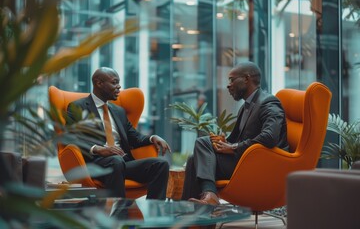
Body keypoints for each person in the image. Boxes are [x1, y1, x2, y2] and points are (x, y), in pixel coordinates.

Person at [181, 61, 289, 205]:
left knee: (202, 143)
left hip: (262, 166)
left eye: (232, 80)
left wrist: (234, 147)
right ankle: (197, 217)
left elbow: (270, 137)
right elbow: (235, 139)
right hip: (245, 161)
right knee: (194, 159)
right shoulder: (245, 107)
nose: (228, 85)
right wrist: (225, 143)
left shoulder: (269, 102)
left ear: (246, 78)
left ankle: (206, 200)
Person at [66, 67, 171, 199]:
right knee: (115, 161)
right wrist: (97, 149)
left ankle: (154, 210)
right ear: (99, 83)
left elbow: (134, 137)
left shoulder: (118, 111)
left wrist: (153, 138)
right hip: (95, 163)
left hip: (122, 162)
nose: (119, 86)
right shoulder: (77, 107)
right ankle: (118, 214)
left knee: (160, 165)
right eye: (114, 82)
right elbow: (70, 138)